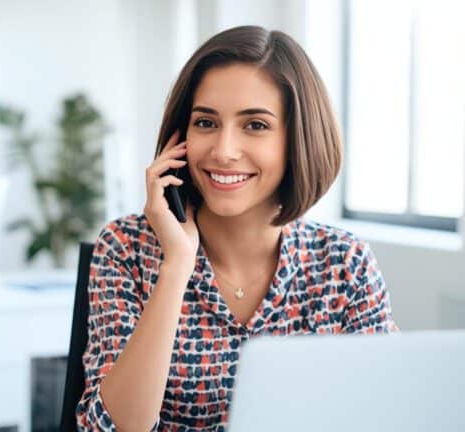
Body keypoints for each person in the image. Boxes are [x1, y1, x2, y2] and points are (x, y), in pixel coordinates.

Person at [76, 25, 399, 431]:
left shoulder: (343, 263)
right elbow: (115, 427)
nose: (224, 151)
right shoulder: (126, 247)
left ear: (298, 139)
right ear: (180, 138)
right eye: (206, 123)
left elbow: (382, 412)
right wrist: (176, 264)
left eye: (255, 125)